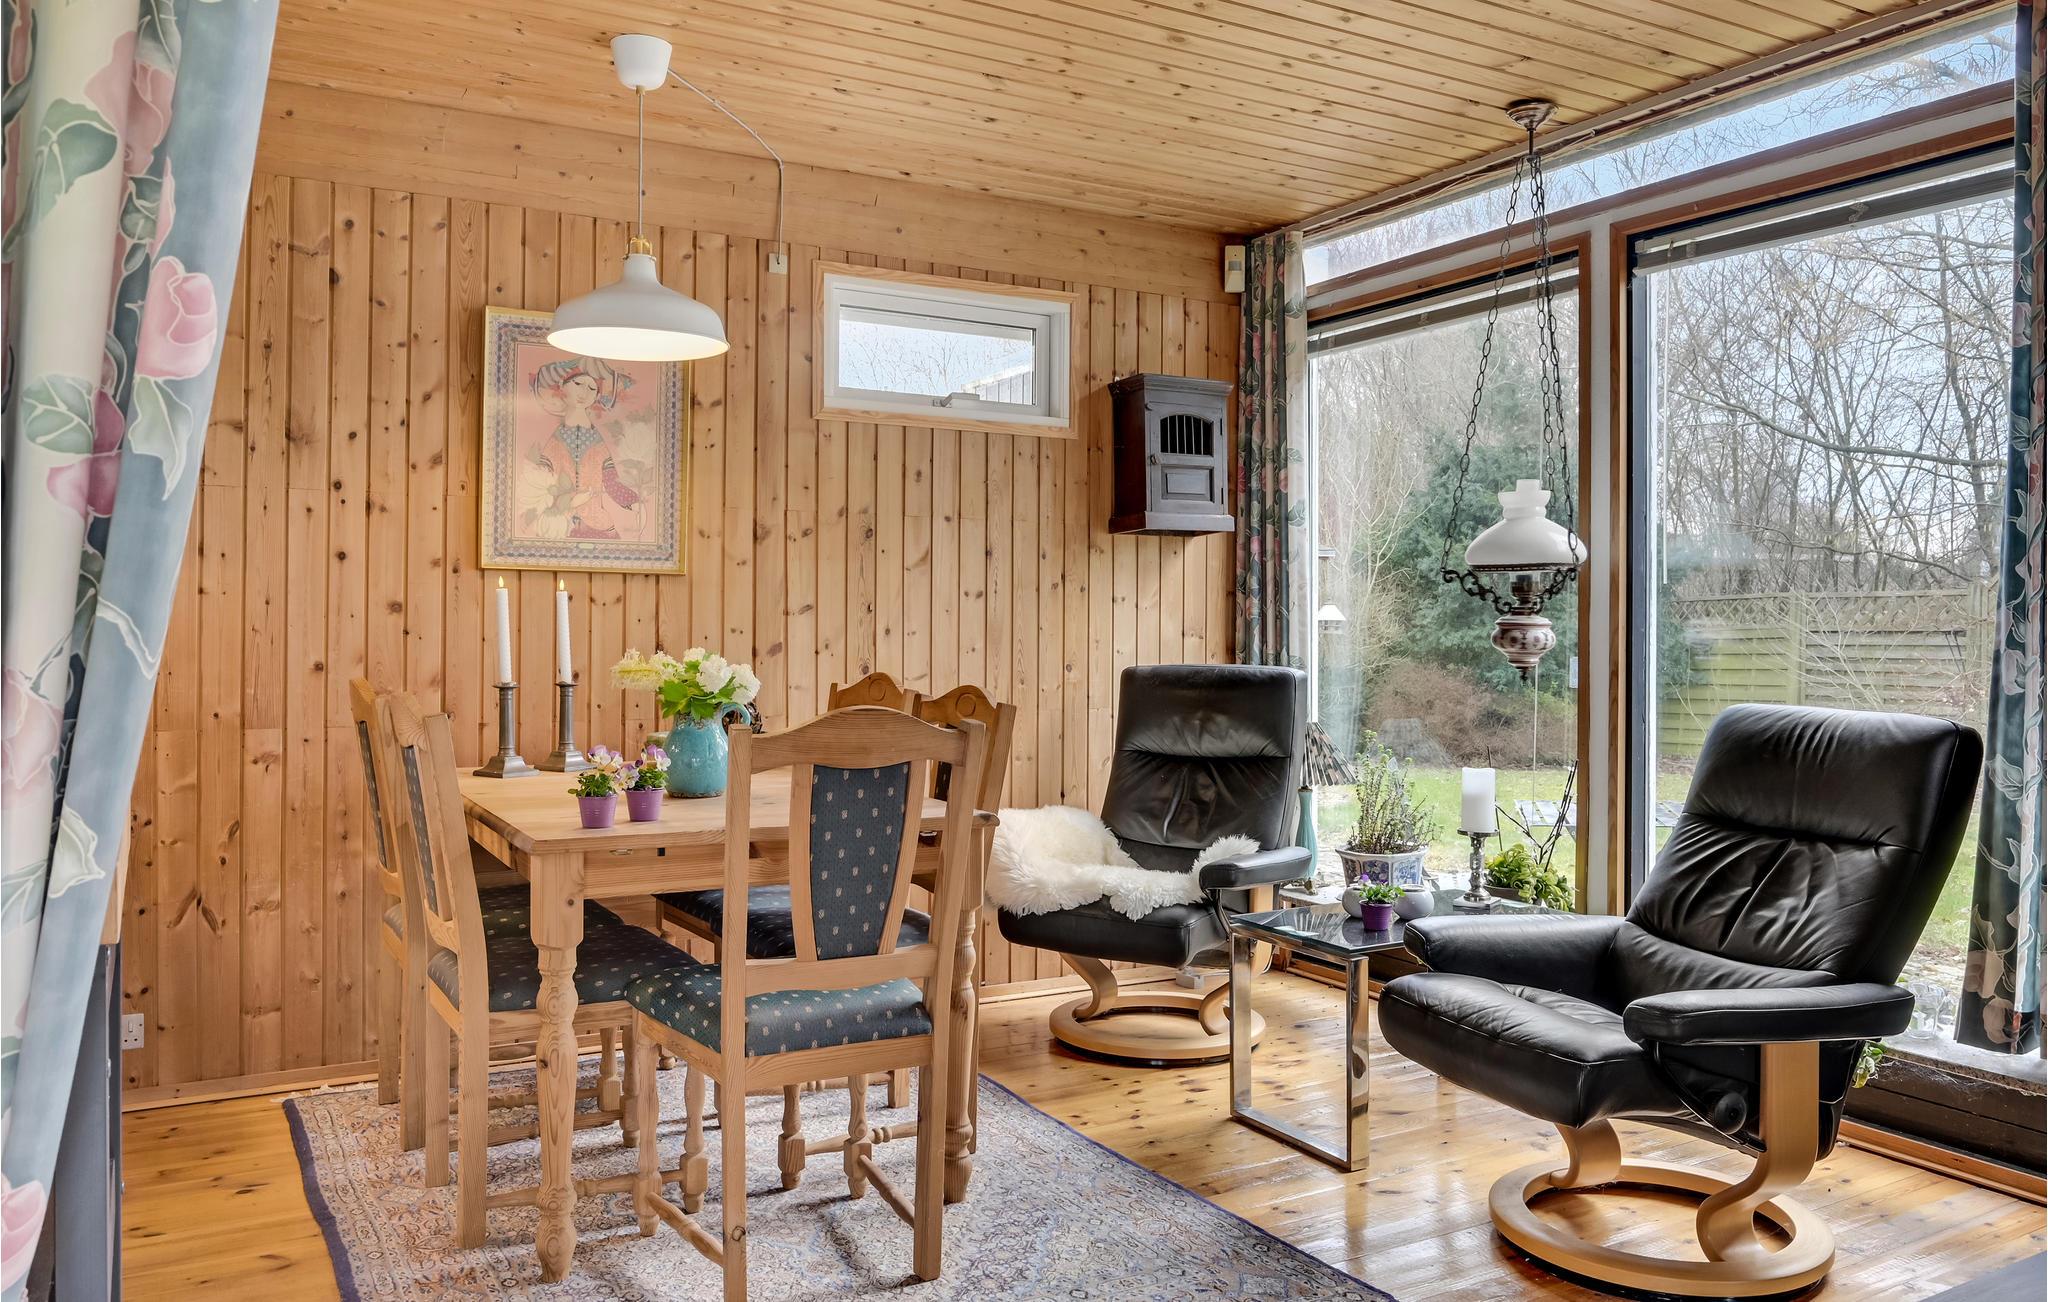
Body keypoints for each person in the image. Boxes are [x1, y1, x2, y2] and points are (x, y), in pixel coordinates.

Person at [519, 355, 645, 540]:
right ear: (562, 385)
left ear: (597, 396)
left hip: (599, 525)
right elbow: (540, 488)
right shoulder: (555, 442)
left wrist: (635, 503)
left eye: (592, 388)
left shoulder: (597, 442)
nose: (584, 392)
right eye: (578, 384)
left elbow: (611, 482)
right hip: (560, 526)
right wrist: (570, 502)